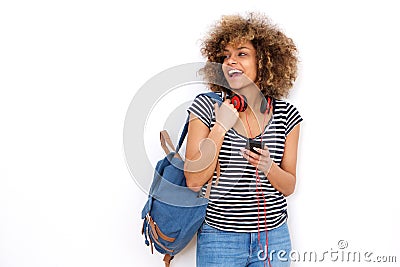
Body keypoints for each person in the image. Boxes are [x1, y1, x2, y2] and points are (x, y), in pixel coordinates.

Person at [184, 12, 302, 267]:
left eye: (241, 53)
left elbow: (289, 185)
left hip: (273, 239)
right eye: (225, 55)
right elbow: (193, 181)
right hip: (219, 240)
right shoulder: (206, 106)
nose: (230, 62)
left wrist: (269, 167)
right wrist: (221, 126)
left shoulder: (287, 115)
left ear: (265, 60)